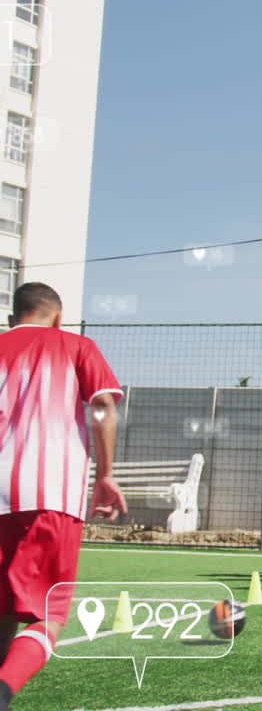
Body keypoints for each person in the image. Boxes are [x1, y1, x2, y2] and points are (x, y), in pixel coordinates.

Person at [0, 283, 127, 710]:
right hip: (48, 495)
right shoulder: (77, 346)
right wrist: (105, 475)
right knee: (46, 617)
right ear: (58, 316)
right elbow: (103, 405)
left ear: (12, 317)